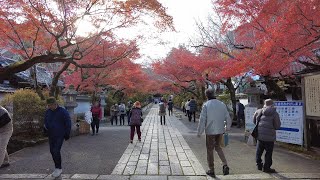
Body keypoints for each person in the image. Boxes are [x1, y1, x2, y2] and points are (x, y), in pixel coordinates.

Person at [197, 89, 231, 178]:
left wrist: (199, 132)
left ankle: (211, 170)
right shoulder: (222, 104)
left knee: (210, 150)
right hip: (220, 130)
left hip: (210, 131)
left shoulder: (206, 105)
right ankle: (225, 164)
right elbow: (227, 116)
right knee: (218, 147)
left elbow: (202, 119)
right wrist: (227, 127)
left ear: (206, 95)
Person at [44, 97, 71, 178]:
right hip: (51, 134)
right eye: (48, 105)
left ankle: (58, 168)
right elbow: (45, 121)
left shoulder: (63, 111)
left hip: (60, 134)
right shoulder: (48, 112)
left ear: (55, 104)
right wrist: (45, 129)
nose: (49, 107)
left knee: (56, 150)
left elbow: (68, 122)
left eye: (50, 105)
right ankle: (57, 167)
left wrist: (67, 134)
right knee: (52, 151)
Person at [253, 99, 281, 173]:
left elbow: (254, 121)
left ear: (264, 104)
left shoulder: (258, 111)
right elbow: (277, 126)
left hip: (260, 135)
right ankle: (266, 167)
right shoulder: (275, 113)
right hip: (270, 137)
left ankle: (259, 165)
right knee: (268, 153)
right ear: (272, 105)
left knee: (259, 151)